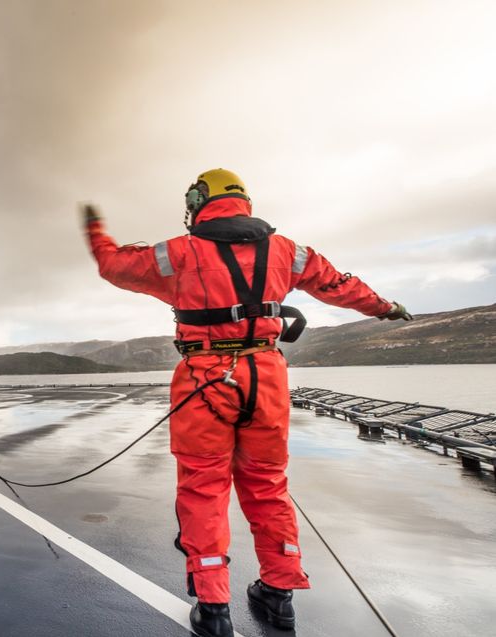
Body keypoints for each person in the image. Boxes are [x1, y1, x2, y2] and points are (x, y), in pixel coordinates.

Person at [81, 168, 411, 637]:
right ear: (243, 201)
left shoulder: (176, 253)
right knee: (268, 485)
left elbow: (113, 265)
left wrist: (94, 228)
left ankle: (213, 607)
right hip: (266, 378)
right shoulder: (288, 251)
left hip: (204, 377)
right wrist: (386, 307)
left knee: (203, 488)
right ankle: (279, 596)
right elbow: (338, 285)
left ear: (198, 199)